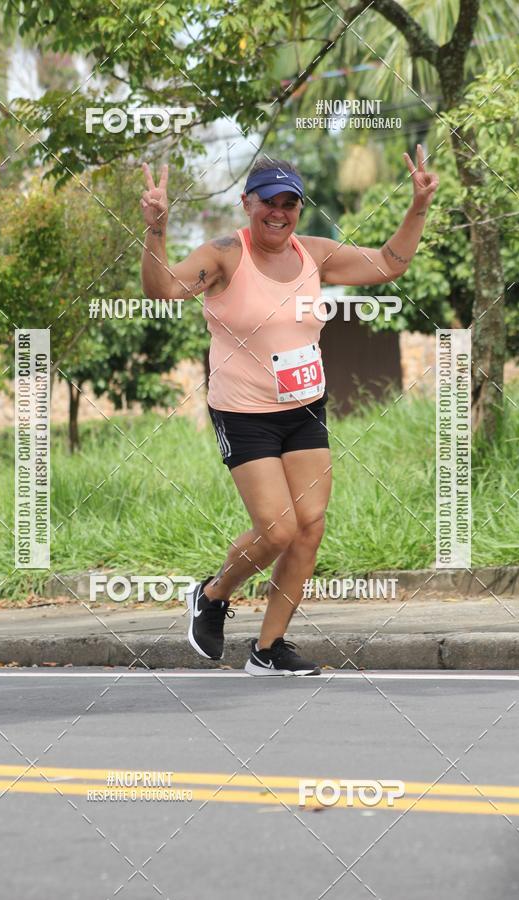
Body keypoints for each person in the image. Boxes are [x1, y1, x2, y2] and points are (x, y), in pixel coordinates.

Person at [140, 147, 438, 675]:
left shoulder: (314, 253)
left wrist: (417, 204)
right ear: (246, 203)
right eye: (268, 202)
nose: (279, 212)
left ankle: (268, 648)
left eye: (290, 203)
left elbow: (390, 264)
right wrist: (157, 229)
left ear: (300, 208)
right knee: (276, 529)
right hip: (243, 413)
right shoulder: (226, 254)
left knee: (309, 527)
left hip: (304, 409)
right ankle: (211, 596)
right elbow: (163, 289)